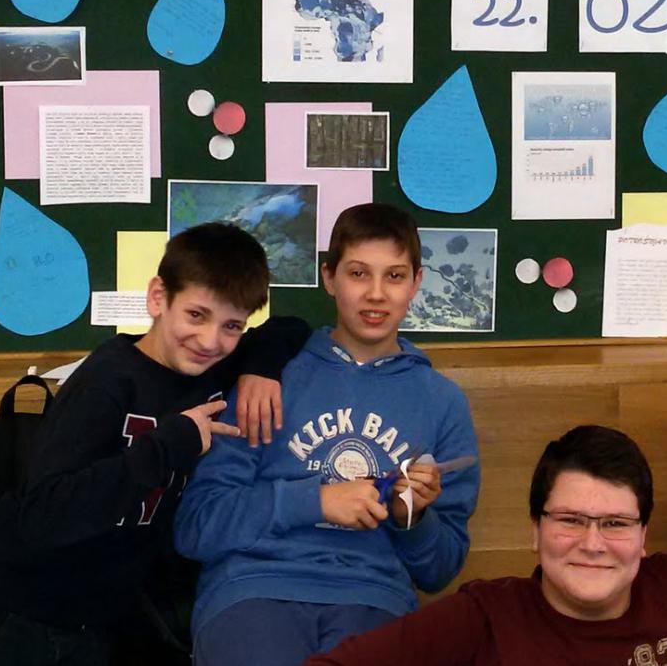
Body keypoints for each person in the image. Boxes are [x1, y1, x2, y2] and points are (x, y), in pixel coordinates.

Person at [0, 222, 309, 666]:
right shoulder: (107, 379)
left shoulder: (213, 365)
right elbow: (47, 511)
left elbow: (290, 327)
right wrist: (168, 445)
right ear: (158, 297)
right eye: (196, 315)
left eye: (232, 325)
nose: (211, 340)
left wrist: (259, 368)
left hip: (88, 625)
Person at [175, 202, 481, 665]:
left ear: (416, 283)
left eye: (394, 276)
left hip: (374, 599)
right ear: (329, 277)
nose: (375, 294)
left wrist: (411, 517)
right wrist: (315, 501)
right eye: (358, 273)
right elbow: (198, 527)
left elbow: (439, 570)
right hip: (253, 590)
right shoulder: (265, 380)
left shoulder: (443, 402)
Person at [305, 425, 667, 666]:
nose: (592, 543)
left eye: (615, 523)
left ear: (643, 537)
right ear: (535, 530)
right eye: (570, 520)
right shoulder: (484, 619)